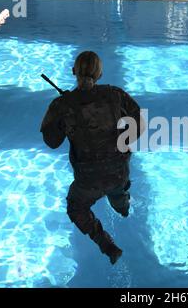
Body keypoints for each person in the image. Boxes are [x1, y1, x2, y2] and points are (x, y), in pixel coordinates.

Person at [40, 51, 144, 264]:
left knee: (76, 206)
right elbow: (139, 124)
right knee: (118, 187)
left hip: (88, 180)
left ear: (73, 72)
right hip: (118, 170)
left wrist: (62, 119)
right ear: (100, 74)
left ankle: (107, 245)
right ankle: (123, 209)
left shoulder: (61, 105)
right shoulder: (116, 95)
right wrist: (122, 142)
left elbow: (52, 142)